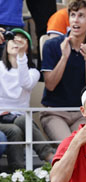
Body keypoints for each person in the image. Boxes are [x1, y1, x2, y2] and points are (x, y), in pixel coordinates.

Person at [40, 0, 86, 142]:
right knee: (69, 145)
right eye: (73, 15)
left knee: (84, 146)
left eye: (81, 16)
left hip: (83, 112)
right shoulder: (51, 45)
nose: (75, 19)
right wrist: (64, 57)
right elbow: (50, 85)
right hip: (54, 112)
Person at [0, 28, 55, 171]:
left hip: (19, 120)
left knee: (16, 128)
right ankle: (50, 157)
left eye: (21, 40)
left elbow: (25, 83)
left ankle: (18, 172)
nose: (15, 42)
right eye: (12, 39)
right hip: (1, 118)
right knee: (19, 124)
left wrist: (21, 56)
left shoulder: (33, 72)